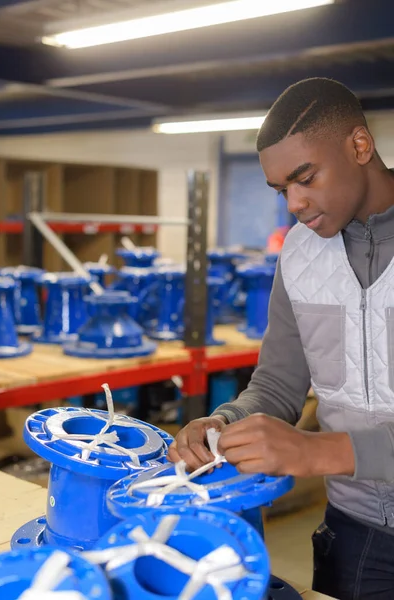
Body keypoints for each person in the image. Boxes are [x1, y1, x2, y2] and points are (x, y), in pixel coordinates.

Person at [167, 77, 394, 600]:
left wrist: (320, 452)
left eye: (305, 178)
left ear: (360, 146)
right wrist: (225, 424)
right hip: (353, 536)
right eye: (281, 190)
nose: (294, 202)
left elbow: (319, 450)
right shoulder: (299, 253)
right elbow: (277, 384)